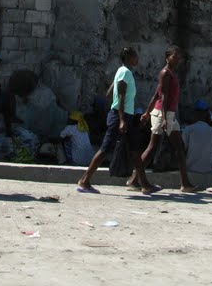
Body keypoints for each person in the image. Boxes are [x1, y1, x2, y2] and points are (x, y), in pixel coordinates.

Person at [77, 47, 159, 195]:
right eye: (134, 55)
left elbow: (109, 93)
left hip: (124, 116)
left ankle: (145, 184)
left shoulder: (122, 72)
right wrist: (121, 119)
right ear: (127, 56)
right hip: (120, 117)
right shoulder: (125, 73)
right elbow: (120, 97)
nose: (137, 58)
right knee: (105, 149)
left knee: (135, 150)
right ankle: (84, 180)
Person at [139, 45, 198, 192]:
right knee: (165, 148)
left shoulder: (169, 73)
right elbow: (163, 96)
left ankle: (135, 179)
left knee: (163, 148)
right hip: (164, 114)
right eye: (174, 56)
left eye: (178, 56)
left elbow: (156, 94)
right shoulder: (166, 73)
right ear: (167, 57)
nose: (177, 59)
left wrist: (147, 112)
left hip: (165, 113)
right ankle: (185, 183)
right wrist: (165, 118)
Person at [181, 99, 212, 174]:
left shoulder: (188, 129)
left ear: (194, 113)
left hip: (190, 169)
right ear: (206, 114)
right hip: (208, 169)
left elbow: (182, 150)